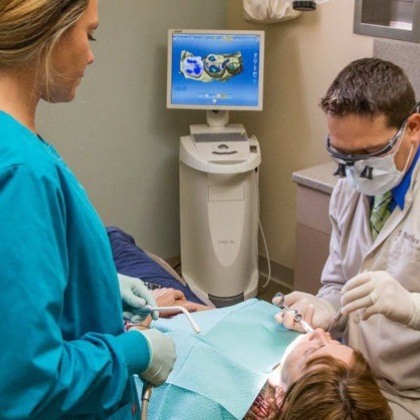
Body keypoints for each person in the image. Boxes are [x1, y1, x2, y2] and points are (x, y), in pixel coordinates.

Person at [0, 1, 175, 418]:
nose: (91, 54)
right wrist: (133, 351)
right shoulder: (23, 171)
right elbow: (27, 387)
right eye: (89, 33)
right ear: (49, 31)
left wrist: (95, 282)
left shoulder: (19, 149)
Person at [276, 57, 420, 419]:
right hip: (352, 377)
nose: (354, 171)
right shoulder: (349, 189)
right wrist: (326, 308)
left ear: (413, 127)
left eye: (368, 154)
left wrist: (412, 307)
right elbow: (339, 281)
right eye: (342, 155)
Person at [135, 299, 391, 419]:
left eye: (314, 352)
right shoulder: (291, 342)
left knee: (115, 240)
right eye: (335, 341)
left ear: (281, 398)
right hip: (178, 312)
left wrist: (142, 322)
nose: (321, 333)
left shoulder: (205, 409)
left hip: (135, 334)